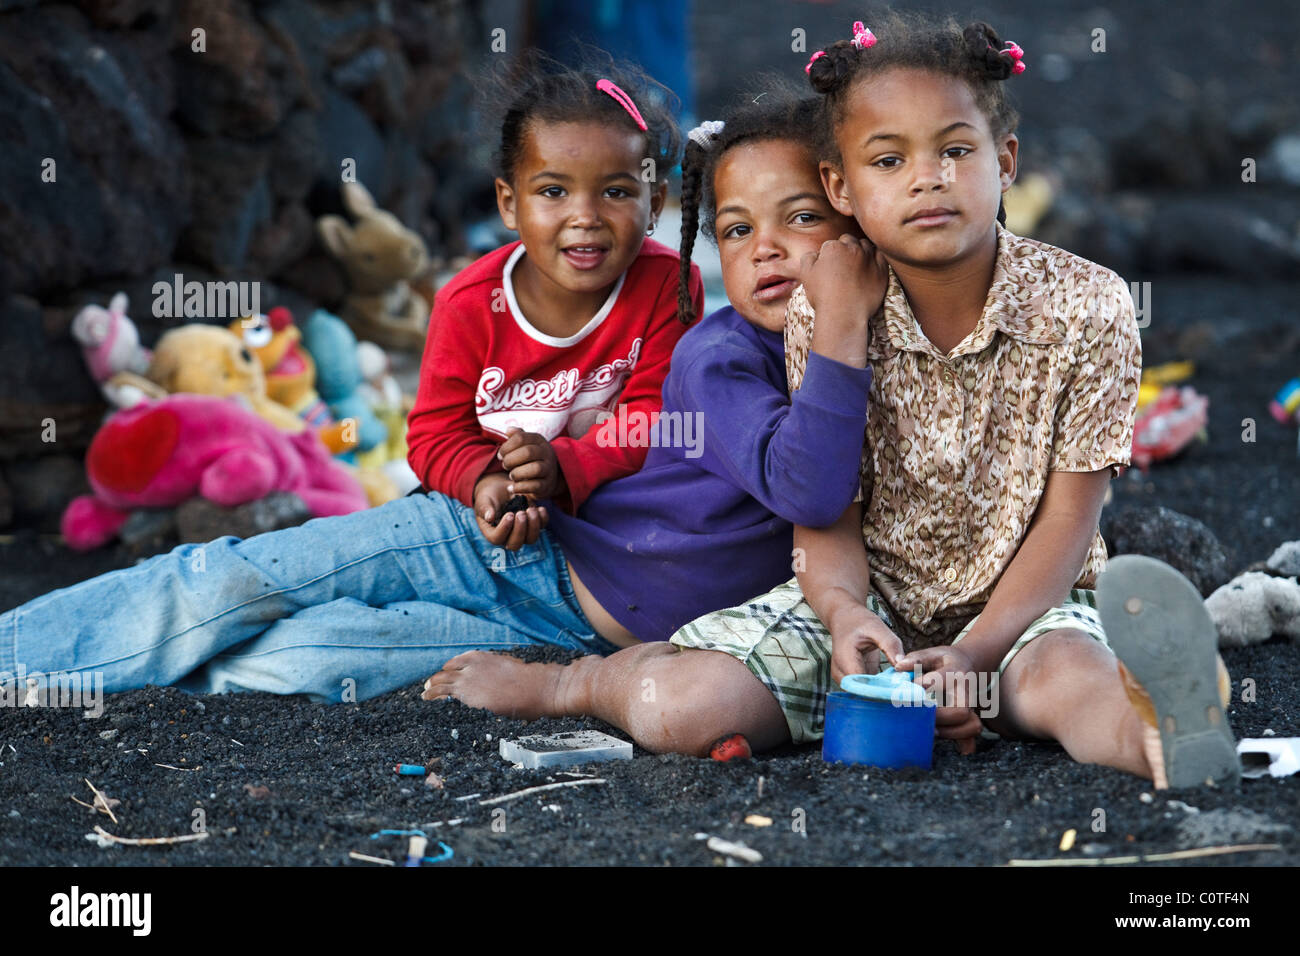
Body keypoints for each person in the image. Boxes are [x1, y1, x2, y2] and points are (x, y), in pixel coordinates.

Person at [437, 14, 1239, 790]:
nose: (927, 178)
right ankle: (576, 685)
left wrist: (975, 654)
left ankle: (1165, 734)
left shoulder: (1087, 305)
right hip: (868, 607)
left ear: (1007, 159)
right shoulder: (828, 309)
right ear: (843, 186)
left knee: (1067, 680)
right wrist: (846, 614)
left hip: (1024, 607)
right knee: (688, 708)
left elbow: (1072, 519)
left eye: (956, 151)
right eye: (888, 162)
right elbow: (826, 511)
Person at [0, 84, 872, 709]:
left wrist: (562, 467)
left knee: (308, 657)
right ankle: (19, 660)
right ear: (506, 202)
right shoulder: (499, 305)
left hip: (572, 622)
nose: (585, 218)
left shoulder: (673, 299)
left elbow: (653, 427)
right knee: (231, 579)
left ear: (648, 205)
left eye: (615, 192)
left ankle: (101, 673)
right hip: (482, 537)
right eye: (737, 230)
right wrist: (490, 484)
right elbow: (438, 435)